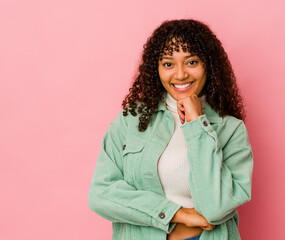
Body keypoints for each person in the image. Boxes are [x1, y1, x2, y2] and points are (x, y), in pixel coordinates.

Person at [88, 19, 253, 240]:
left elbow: (216, 207)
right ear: (156, 69)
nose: (181, 74)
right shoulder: (131, 119)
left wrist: (197, 124)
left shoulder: (231, 129)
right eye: (168, 64)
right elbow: (100, 194)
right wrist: (178, 214)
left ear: (209, 65)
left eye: (192, 62)